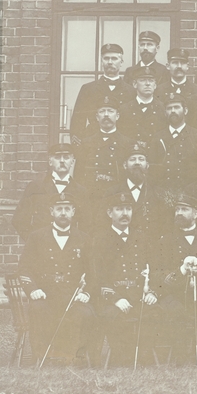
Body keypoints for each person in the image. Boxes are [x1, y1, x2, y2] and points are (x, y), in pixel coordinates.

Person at [15, 195, 92, 366]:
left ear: (73, 212)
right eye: (59, 209)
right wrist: (33, 289)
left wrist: (86, 292)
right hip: (45, 295)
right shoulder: (36, 237)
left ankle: (74, 359)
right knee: (38, 309)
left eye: (67, 209)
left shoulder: (84, 239)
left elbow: (93, 272)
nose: (63, 213)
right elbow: (24, 268)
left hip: (72, 296)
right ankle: (43, 358)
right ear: (52, 212)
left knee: (84, 313)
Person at [87, 191, 157, 367]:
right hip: (110, 298)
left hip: (137, 295)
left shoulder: (142, 237)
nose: (125, 213)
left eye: (128, 209)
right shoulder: (99, 240)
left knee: (154, 312)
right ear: (110, 213)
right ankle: (121, 360)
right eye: (119, 209)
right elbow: (97, 276)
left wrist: (152, 291)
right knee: (114, 316)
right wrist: (116, 298)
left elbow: (154, 268)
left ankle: (144, 358)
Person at [154, 193, 197, 365]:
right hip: (174, 293)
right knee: (175, 310)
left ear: (196, 214)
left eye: (184, 209)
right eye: (177, 210)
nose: (179, 213)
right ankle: (180, 356)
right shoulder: (165, 241)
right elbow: (160, 274)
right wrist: (182, 270)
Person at [13, 143, 90, 240]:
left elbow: (87, 224)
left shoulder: (81, 191)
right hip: (42, 248)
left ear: (72, 161)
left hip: (70, 248)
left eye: (66, 157)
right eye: (57, 157)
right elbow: (19, 220)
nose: (62, 161)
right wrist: (33, 241)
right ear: (50, 161)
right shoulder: (35, 187)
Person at [103, 141, 164, 241]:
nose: (137, 163)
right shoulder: (112, 192)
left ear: (147, 165)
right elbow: (103, 224)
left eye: (141, 159)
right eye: (132, 159)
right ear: (125, 165)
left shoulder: (157, 193)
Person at [70, 43, 129, 143]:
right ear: (101, 61)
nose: (110, 62)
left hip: (122, 143)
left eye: (114, 58)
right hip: (93, 143)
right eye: (106, 58)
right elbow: (78, 120)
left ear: (121, 62)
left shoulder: (130, 90)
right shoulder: (88, 89)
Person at [153, 93, 197, 194]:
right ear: (165, 112)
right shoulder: (157, 137)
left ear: (185, 110)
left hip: (190, 191)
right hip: (164, 191)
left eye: (177, 107)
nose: (173, 111)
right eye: (169, 108)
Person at [74, 96, 126, 189]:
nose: (106, 115)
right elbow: (79, 174)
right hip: (92, 194)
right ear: (97, 117)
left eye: (110, 111)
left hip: (117, 195)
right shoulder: (86, 143)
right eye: (102, 111)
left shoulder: (126, 143)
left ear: (117, 116)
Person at [118, 67, 165, 145]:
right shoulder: (124, 109)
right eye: (143, 80)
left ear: (155, 85)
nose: (147, 83)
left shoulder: (163, 108)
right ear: (135, 84)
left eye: (151, 80)